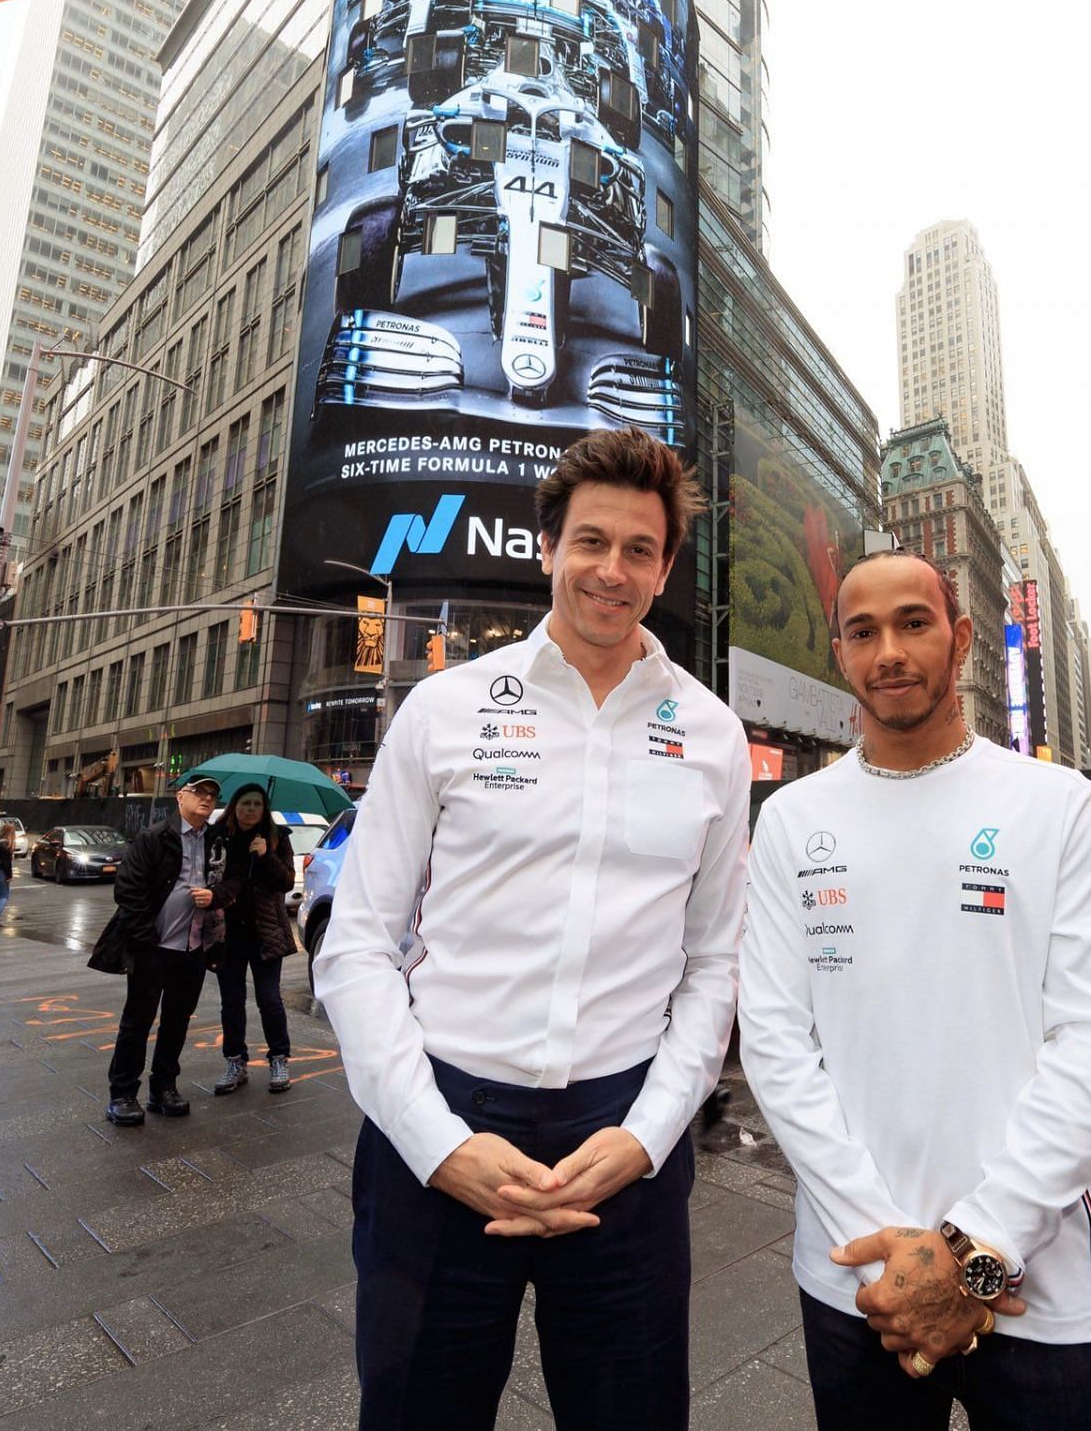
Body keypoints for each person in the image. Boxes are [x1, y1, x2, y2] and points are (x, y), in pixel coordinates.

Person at [318, 427, 750, 1430]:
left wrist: (647, 1135)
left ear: (666, 568)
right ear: (546, 547)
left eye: (639, 549)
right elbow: (360, 944)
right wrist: (437, 1141)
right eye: (590, 541)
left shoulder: (713, 736)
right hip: (442, 1132)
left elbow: (716, 959)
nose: (612, 570)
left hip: (625, 1148)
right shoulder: (444, 709)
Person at [739, 550, 1091, 1431]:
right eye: (862, 631)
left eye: (913, 624)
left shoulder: (1057, 805)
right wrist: (896, 1261)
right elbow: (774, 1042)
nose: (889, 650)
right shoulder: (791, 822)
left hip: (1035, 1285)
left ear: (959, 639)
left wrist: (971, 1252)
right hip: (857, 1283)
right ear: (841, 654)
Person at [94, 776, 231, 1125]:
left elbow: (232, 882)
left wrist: (216, 896)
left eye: (213, 795)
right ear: (180, 796)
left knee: (177, 1021)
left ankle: (164, 1087)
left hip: (194, 947)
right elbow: (128, 890)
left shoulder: (216, 839)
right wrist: (145, 940)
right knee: (137, 1021)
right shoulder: (154, 837)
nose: (207, 799)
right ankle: (123, 1093)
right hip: (154, 947)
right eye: (200, 792)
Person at [210, 783, 297, 1096]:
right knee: (231, 1001)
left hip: (265, 932)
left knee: (269, 999)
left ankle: (278, 1058)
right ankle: (235, 1061)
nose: (250, 809)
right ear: (235, 806)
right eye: (245, 803)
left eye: (257, 804)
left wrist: (266, 855)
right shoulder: (218, 837)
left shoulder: (277, 838)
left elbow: (286, 881)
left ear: (264, 809)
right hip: (228, 933)